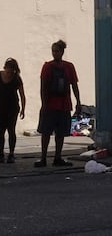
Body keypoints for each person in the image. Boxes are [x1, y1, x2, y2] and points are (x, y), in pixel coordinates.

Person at [35, 40, 81, 168]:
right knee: (46, 132)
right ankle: (43, 158)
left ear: (62, 52)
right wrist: (44, 104)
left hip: (64, 104)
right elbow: (43, 87)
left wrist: (78, 101)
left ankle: (57, 157)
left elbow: (74, 85)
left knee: (60, 133)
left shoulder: (69, 67)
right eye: (53, 51)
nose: (55, 53)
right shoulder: (47, 67)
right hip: (50, 105)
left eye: (57, 51)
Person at [0, 57, 26, 163]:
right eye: (8, 70)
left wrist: (23, 109)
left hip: (13, 107)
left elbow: (22, 95)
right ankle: (1, 153)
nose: (9, 73)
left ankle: (11, 153)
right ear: (5, 68)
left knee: (11, 130)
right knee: (1, 130)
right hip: (1, 107)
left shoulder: (16, 78)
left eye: (12, 71)